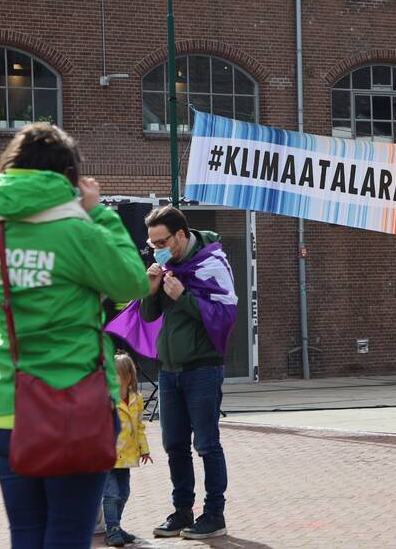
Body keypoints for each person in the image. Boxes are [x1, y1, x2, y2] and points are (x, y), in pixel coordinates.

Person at [0, 123, 150, 547]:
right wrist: (99, 212)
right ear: (67, 177)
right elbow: (133, 284)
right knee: (70, 536)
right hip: (76, 406)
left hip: (10, 407)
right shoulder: (78, 231)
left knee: (27, 536)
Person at [142, 206, 231, 540]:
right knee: (174, 445)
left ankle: (214, 514)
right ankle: (182, 511)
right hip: (170, 370)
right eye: (152, 244)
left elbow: (224, 315)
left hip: (202, 369)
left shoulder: (211, 262)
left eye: (161, 241)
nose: (157, 248)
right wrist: (151, 287)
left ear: (180, 235)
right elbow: (149, 316)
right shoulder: (165, 264)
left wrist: (184, 297)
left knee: (206, 444)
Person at [103, 353, 153, 547]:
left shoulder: (136, 399)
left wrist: (144, 449)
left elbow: (139, 426)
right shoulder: (107, 400)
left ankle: (116, 525)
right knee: (111, 494)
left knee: (123, 492)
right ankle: (111, 529)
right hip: (108, 456)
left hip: (127, 456)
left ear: (128, 376)